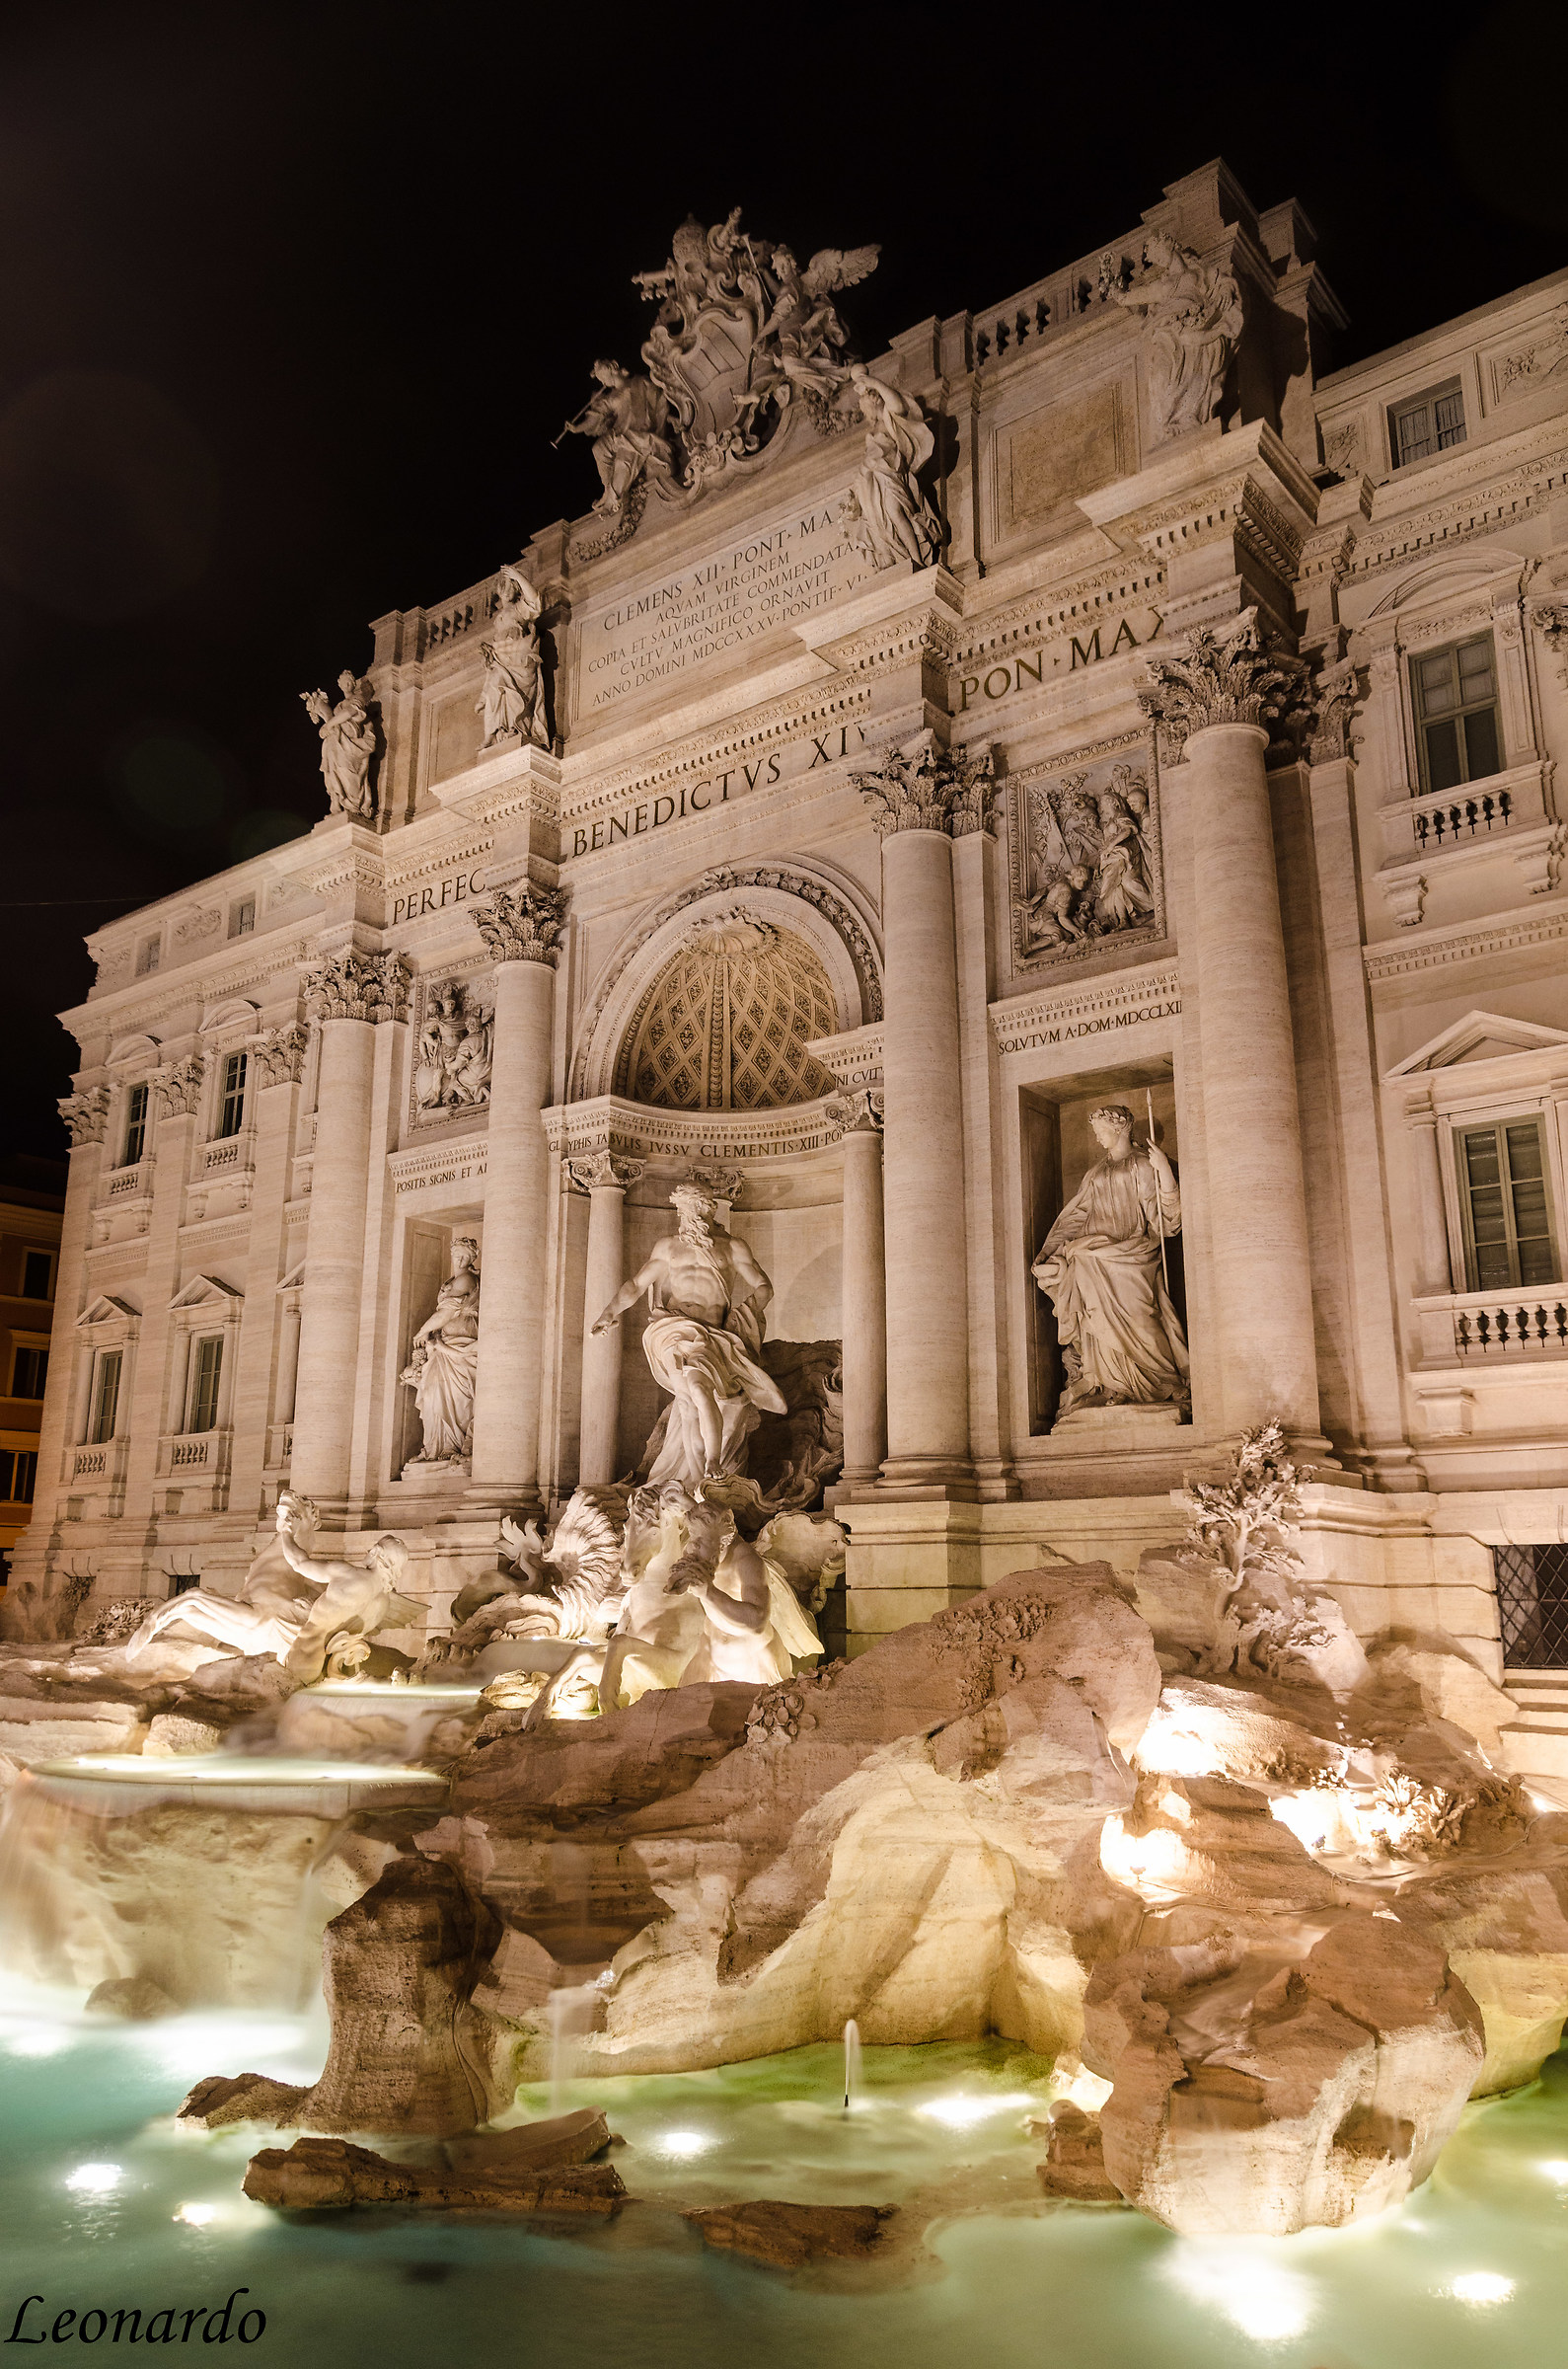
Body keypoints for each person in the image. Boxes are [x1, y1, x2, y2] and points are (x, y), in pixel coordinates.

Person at [590, 1184, 785, 1489]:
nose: (689, 1216)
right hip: (674, 1329)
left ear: (709, 1209)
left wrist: (743, 1315)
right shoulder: (668, 1247)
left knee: (696, 1391)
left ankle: (710, 1464)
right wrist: (609, 1311)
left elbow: (764, 1287)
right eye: (684, 1210)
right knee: (689, 1399)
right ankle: (703, 1473)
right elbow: (636, 1285)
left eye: (694, 1208)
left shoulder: (733, 1247)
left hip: (713, 1335)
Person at [1032, 1104, 1188, 1420]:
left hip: (1133, 1253)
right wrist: (1055, 1251)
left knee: (1141, 1316)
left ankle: (1162, 1380)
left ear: (1119, 1130)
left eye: (1102, 1132)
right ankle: (1111, 1382)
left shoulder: (1143, 1165)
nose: (1099, 1138)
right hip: (1092, 1255)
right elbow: (1076, 1215)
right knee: (1093, 1305)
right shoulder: (1095, 1173)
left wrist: (1166, 1172)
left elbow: (1165, 1223)